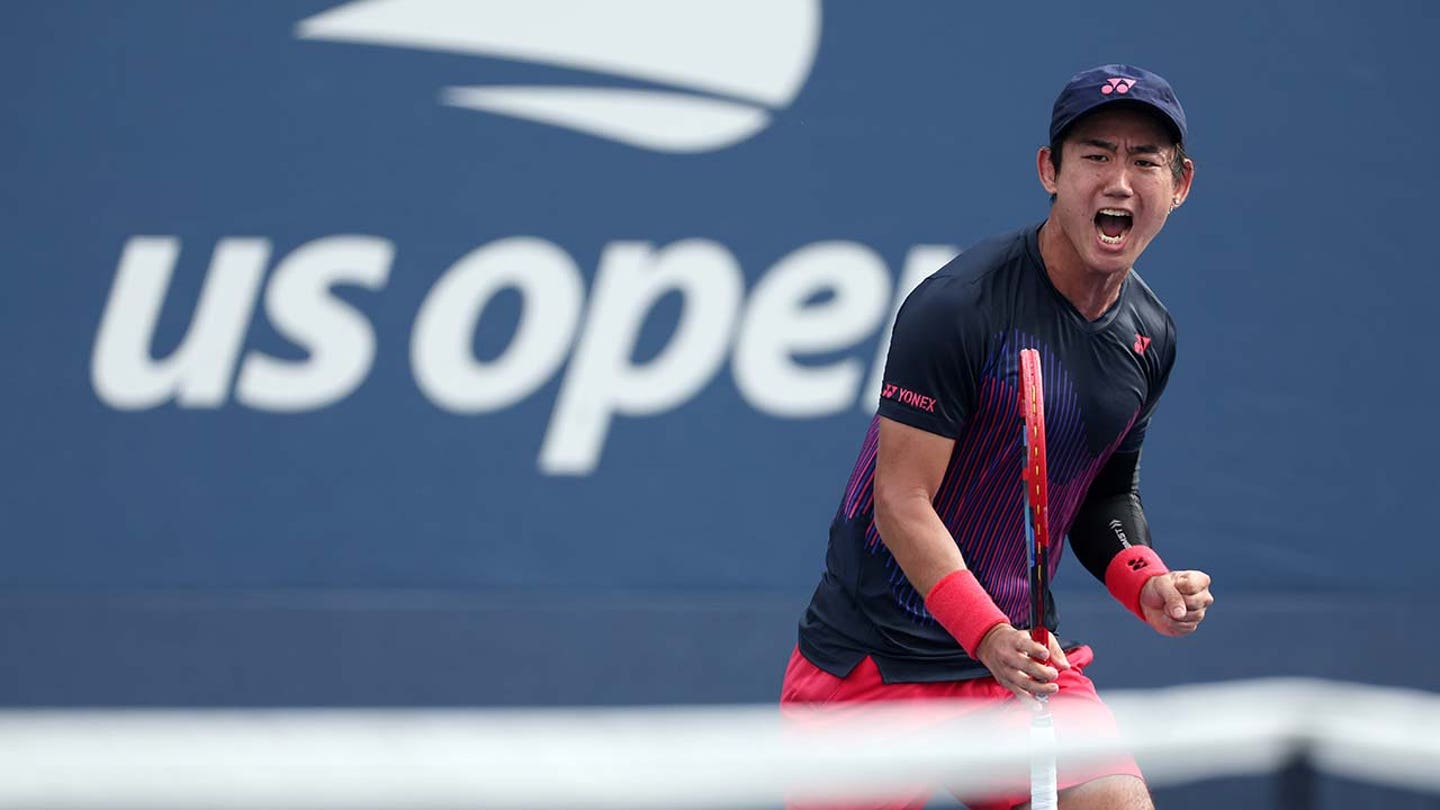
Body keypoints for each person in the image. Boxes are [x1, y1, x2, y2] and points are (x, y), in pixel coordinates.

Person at [780, 64, 1216, 810]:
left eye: (1145, 161)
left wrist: (1145, 579)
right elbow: (901, 501)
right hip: (872, 666)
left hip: (1015, 663)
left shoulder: (1150, 337)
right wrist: (984, 634)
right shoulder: (959, 308)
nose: (1119, 181)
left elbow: (1102, 495)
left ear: (1179, 185)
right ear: (1050, 171)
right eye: (1096, 155)